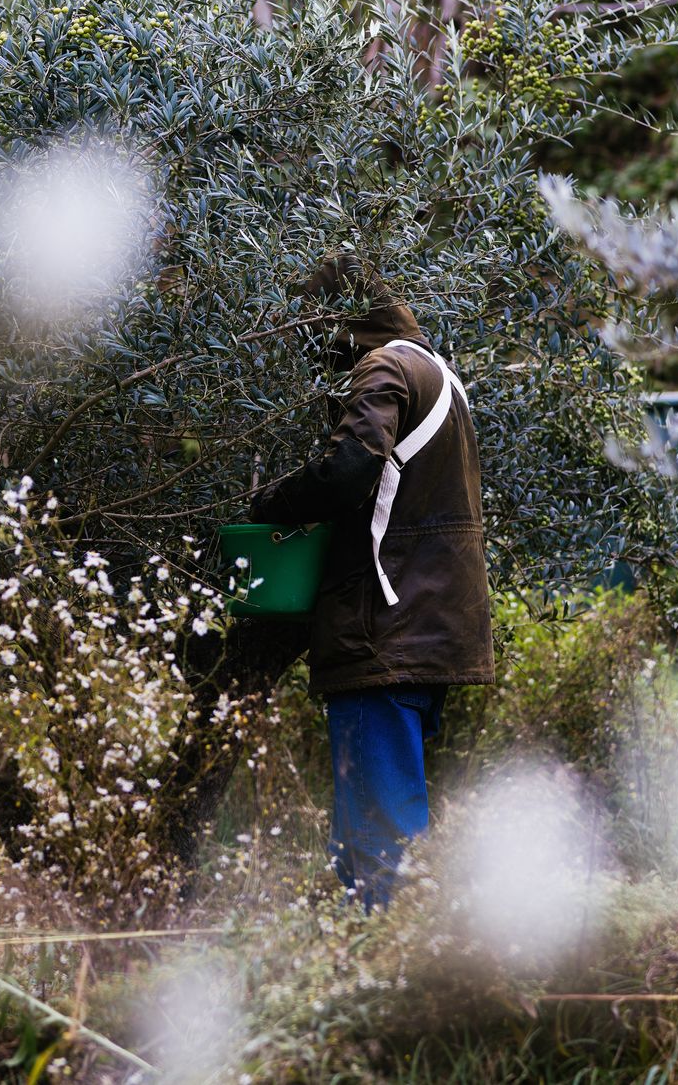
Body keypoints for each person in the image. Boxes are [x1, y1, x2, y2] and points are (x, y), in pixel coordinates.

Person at [249, 255, 492, 907]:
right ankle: (381, 971)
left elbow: (351, 469)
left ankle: (407, 982)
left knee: (382, 839)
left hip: (382, 629)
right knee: (373, 830)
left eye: (313, 330)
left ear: (337, 320)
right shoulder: (441, 375)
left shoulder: (385, 366)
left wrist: (272, 502)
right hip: (433, 629)